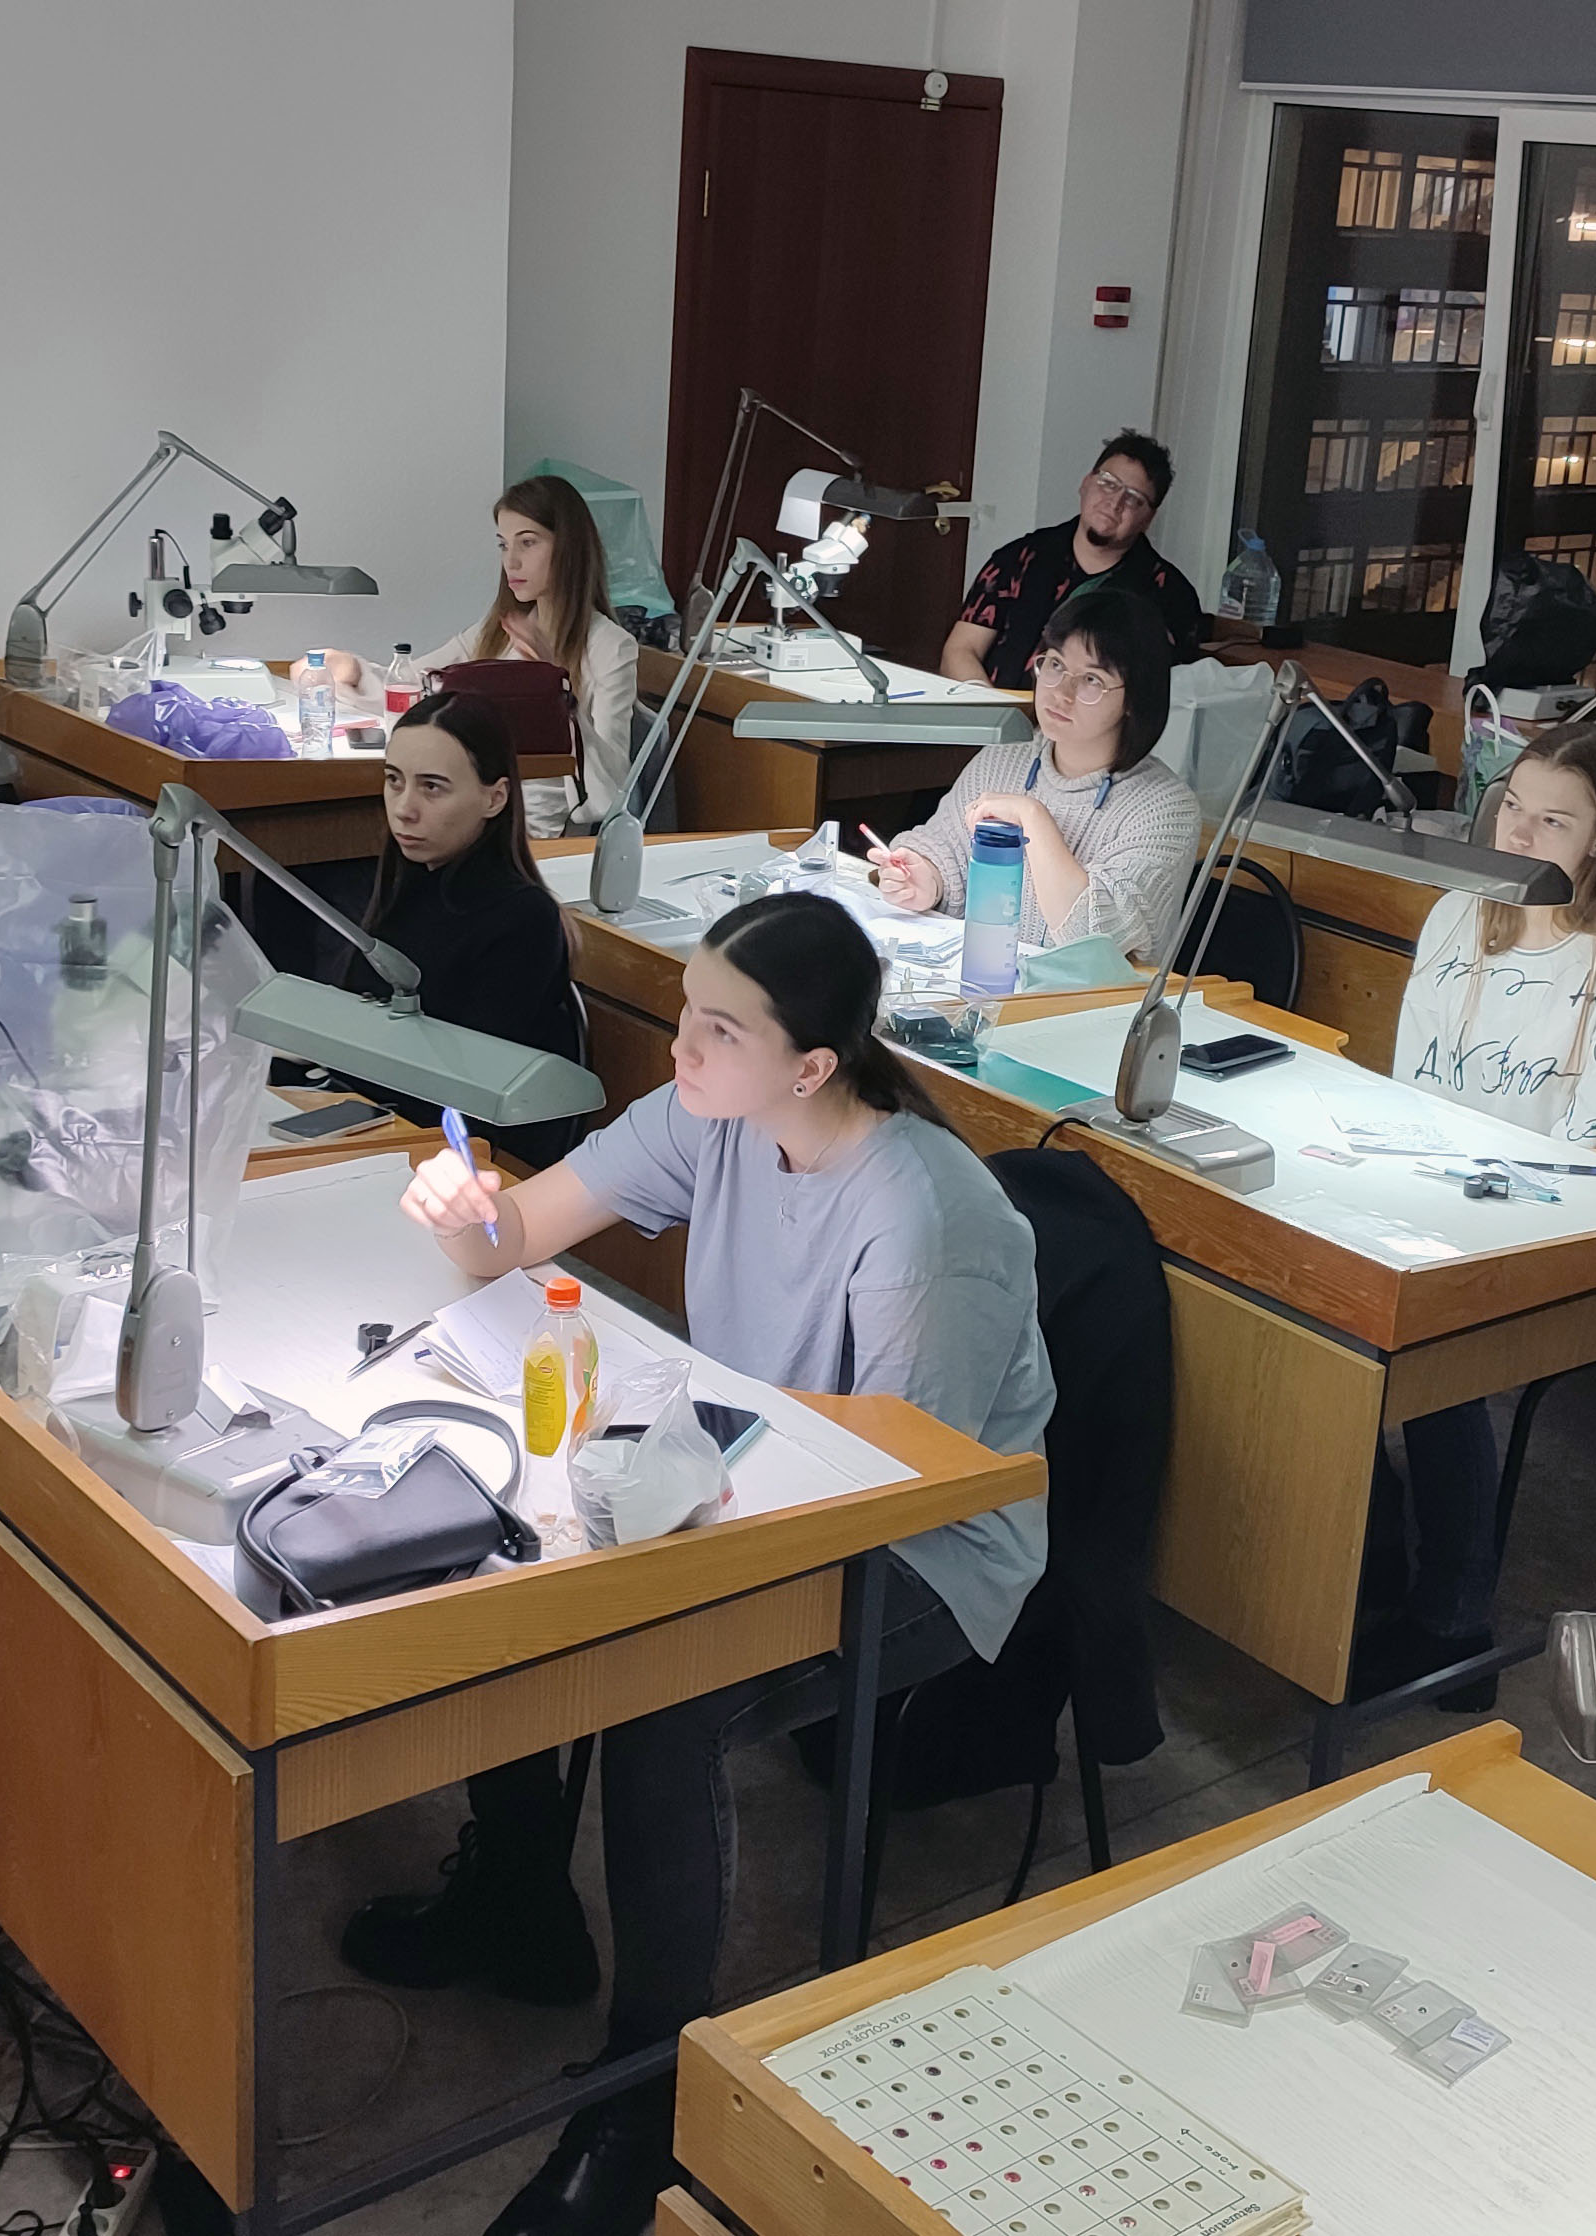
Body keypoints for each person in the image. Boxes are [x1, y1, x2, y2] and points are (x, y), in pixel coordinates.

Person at [371, 892, 1054, 2236]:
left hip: (925, 1543)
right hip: (756, 1483)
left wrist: (666, 1540)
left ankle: (647, 2091)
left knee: (660, 1698)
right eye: (686, 1011)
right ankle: (521, 1898)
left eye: (719, 1029)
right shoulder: (715, 1113)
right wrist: (463, 1207)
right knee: (523, 1582)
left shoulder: (924, 1218)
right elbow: (517, 1232)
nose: (680, 1045)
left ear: (812, 1065)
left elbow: (900, 1482)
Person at [1358, 719, 1596, 1702]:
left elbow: (1592, 1142)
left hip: (1576, 1217)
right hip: (1450, 1188)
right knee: (1315, 1306)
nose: (1522, 834)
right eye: (1514, 808)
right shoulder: (1460, 914)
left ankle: (1452, 1625)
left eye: (1555, 820)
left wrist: (1459, 1206)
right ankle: (1367, 1561)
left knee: (1437, 1345)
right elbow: (1413, 1084)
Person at [871, 586, 1204, 965]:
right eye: (1056, 665)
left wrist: (1033, 818)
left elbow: (1094, 939)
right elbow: (946, 846)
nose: (1061, 692)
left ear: (1134, 699)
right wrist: (924, 878)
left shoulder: (1166, 809)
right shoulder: (1005, 757)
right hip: (985, 982)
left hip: (1086, 999)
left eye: (1092, 679)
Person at [332, 689, 585, 1163]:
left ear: (495, 798)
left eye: (432, 787)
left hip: (462, 1156)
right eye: (394, 781)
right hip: (385, 1127)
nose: (404, 808)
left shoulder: (522, 919)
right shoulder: (402, 885)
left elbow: (464, 1089)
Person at [402, 474, 642, 837]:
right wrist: (352, 672)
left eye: (527, 543)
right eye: (503, 545)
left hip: (532, 835)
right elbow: (412, 679)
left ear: (569, 548)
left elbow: (609, 789)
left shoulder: (612, 648)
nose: (510, 562)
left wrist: (554, 685)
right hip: (473, 813)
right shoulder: (500, 629)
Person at [940, 429, 1211, 691]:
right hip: (994, 711)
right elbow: (961, 650)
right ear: (1085, 483)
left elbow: (1160, 697)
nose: (1115, 503)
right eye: (1108, 483)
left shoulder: (1169, 596)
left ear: (1148, 518)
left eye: (1133, 498)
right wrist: (994, 710)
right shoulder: (1019, 558)